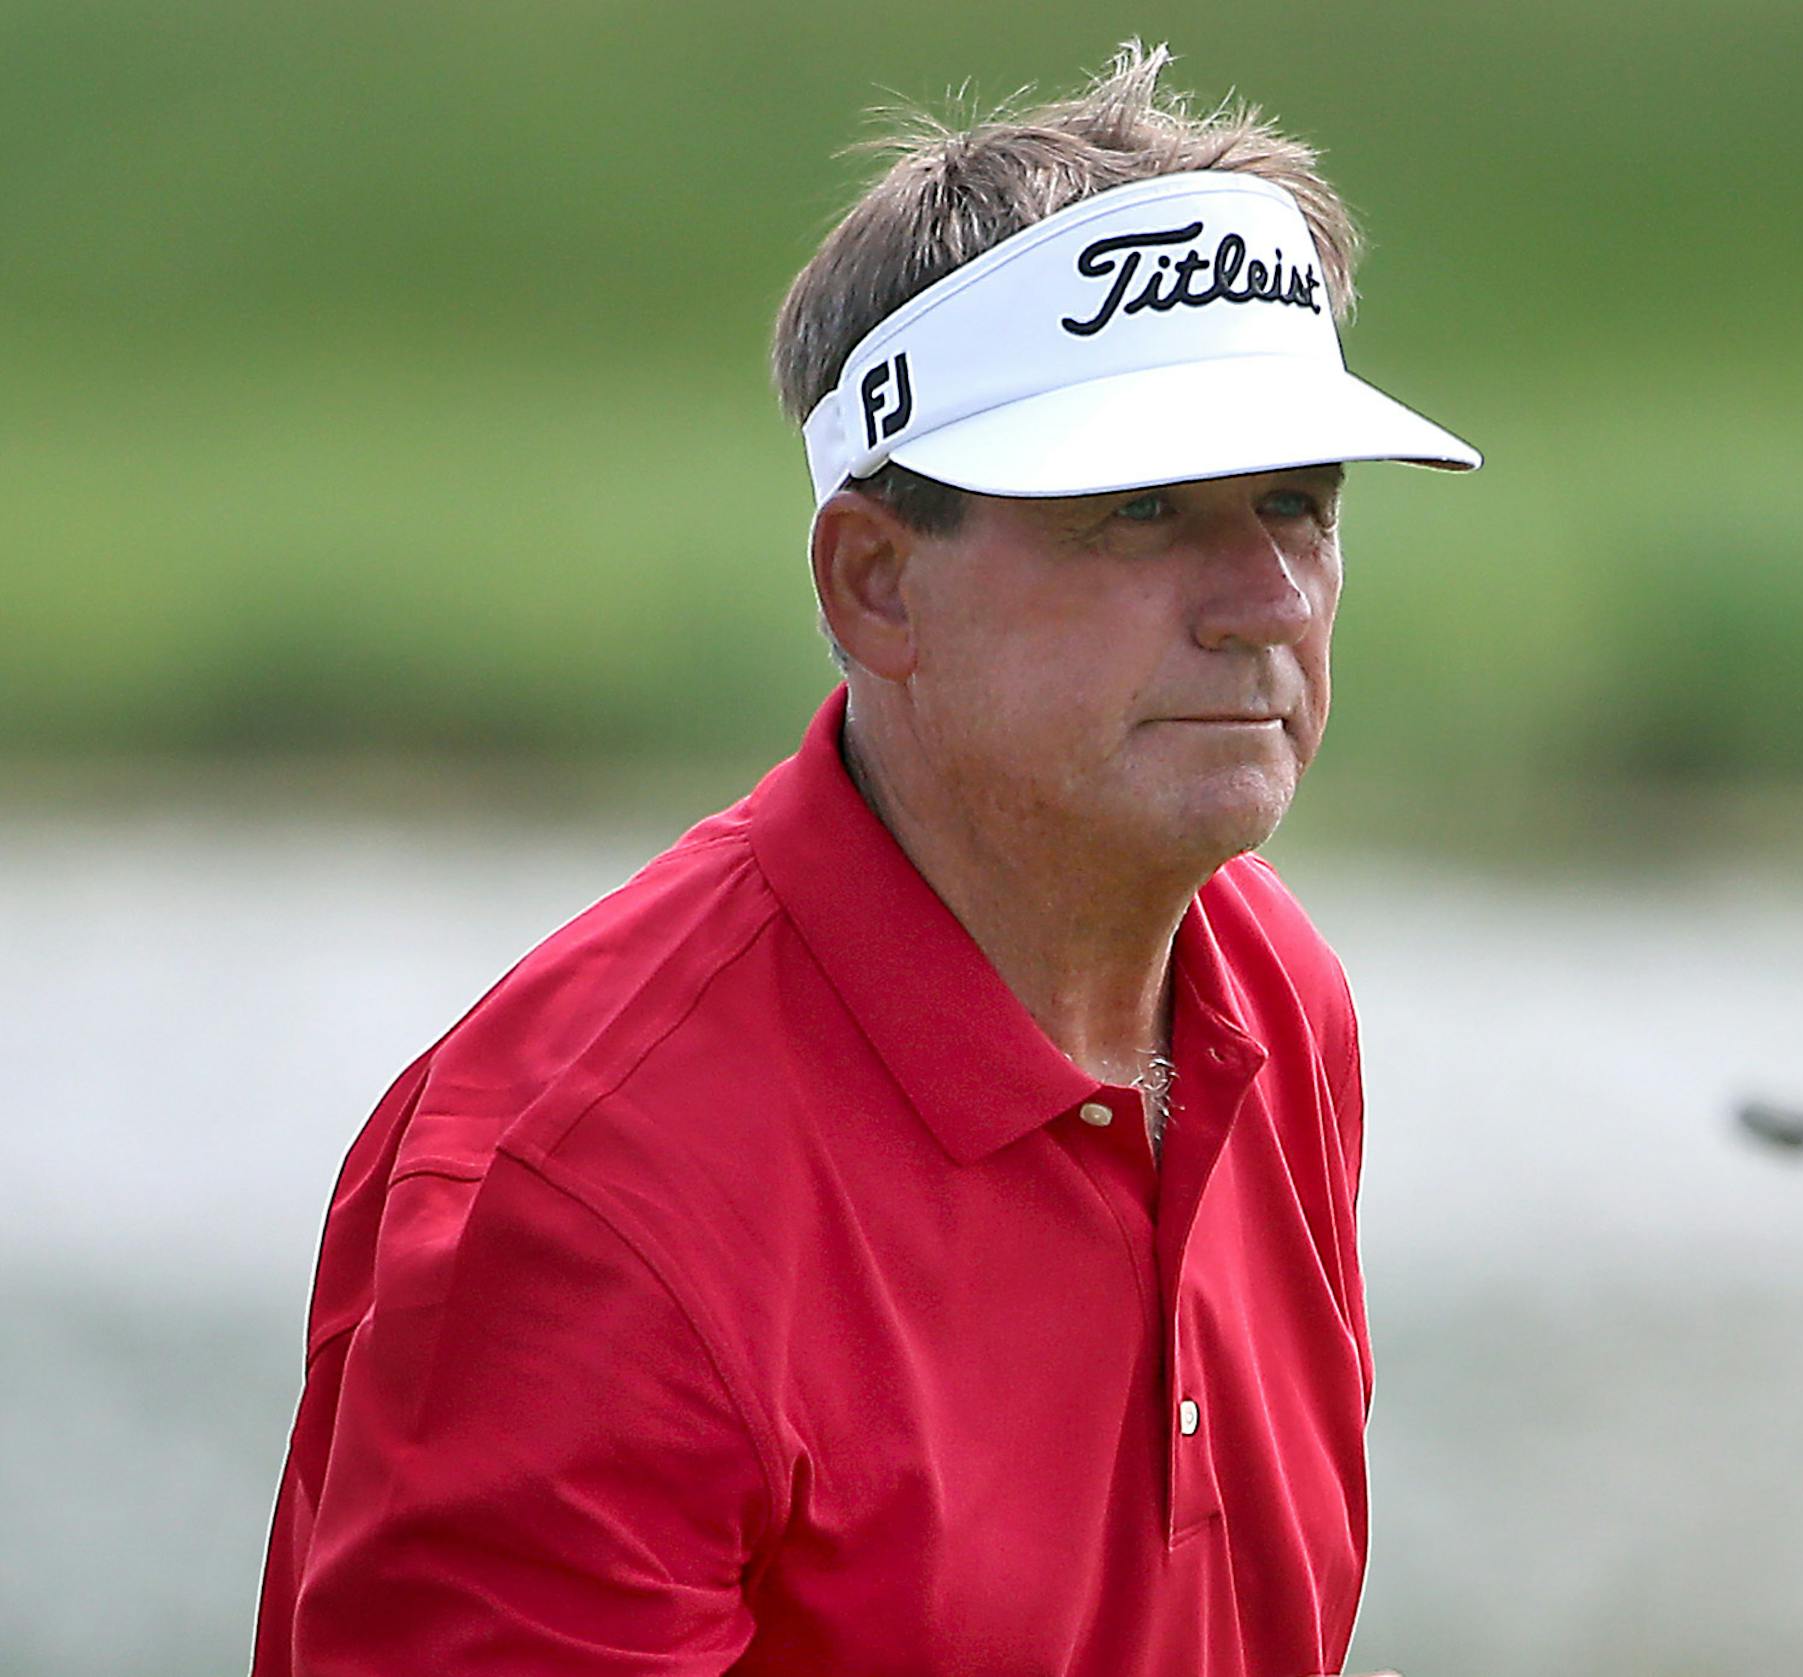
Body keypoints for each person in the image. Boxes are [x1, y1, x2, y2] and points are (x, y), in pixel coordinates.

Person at [252, 41, 1478, 1677]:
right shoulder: (584, 1201)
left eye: (1297, 503)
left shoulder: (1273, 1000)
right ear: (876, 584)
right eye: (1139, 512)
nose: (1264, 598)